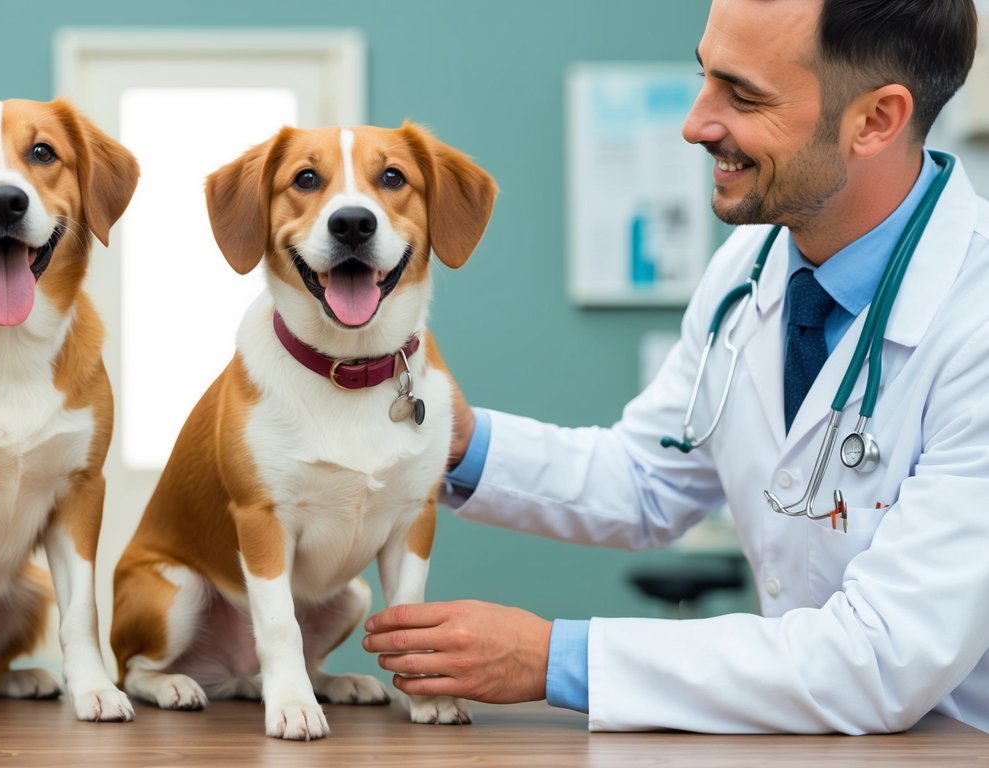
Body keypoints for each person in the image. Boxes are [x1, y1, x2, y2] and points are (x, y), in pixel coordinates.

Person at [362, 0, 988, 734]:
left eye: (742, 94)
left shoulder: (971, 316)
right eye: (703, 77)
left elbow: (879, 657)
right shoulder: (748, 269)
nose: (694, 123)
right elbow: (648, 479)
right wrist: (458, 442)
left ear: (874, 121)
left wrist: (554, 657)